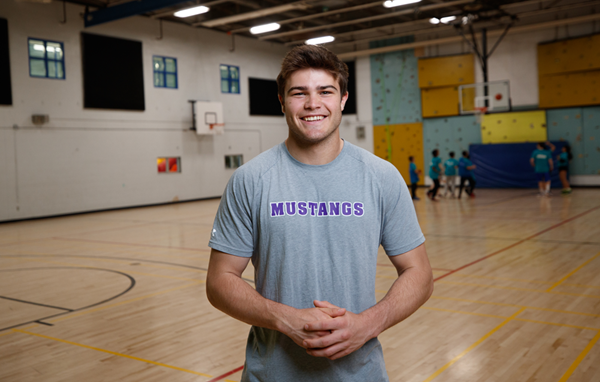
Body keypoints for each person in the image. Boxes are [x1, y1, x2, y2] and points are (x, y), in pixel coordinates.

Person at [205, 45, 433, 382]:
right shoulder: (250, 180)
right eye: (299, 93)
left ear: (343, 99)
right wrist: (285, 319)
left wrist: (368, 323)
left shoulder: (381, 177)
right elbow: (219, 281)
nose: (313, 104)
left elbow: (420, 274)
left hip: (360, 374)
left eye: (325, 91)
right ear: (282, 102)